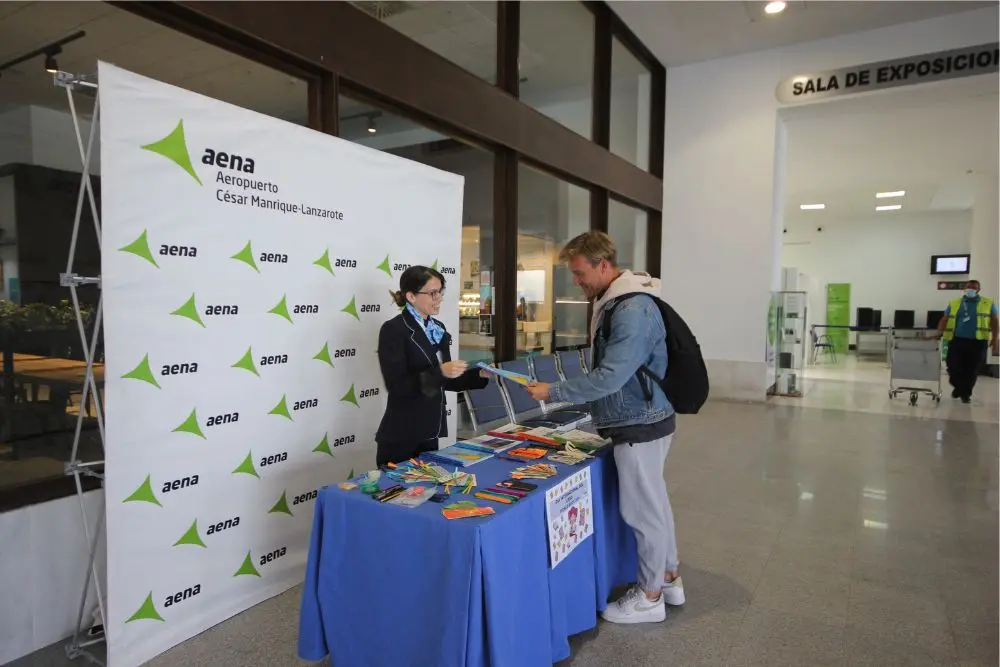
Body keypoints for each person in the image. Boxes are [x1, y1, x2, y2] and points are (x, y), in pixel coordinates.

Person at [524, 231, 681, 625]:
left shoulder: (631, 309)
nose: (576, 282)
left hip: (639, 422)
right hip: (642, 416)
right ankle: (669, 576)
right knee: (655, 504)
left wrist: (553, 391)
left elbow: (610, 376)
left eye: (580, 273)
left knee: (643, 511)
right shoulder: (615, 302)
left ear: (604, 265)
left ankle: (649, 597)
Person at [375, 265, 487, 466]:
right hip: (402, 434)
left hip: (430, 431)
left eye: (440, 292)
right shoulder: (394, 330)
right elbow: (397, 386)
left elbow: (448, 381)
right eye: (433, 293)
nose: (439, 298)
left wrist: (482, 375)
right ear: (411, 296)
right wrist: (440, 372)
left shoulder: (438, 329)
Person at [937, 279, 999, 404]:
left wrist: (995, 338)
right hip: (957, 340)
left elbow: (994, 321)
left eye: (974, 288)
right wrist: (939, 332)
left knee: (972, 368)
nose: (971, 289)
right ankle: (959, 387)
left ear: (978, 290)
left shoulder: (988, 303)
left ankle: (965, 393)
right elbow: (945, 318)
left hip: (978, 341)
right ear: (964, 289)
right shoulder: (954, 303)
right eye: (969, 287)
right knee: (952, 365)